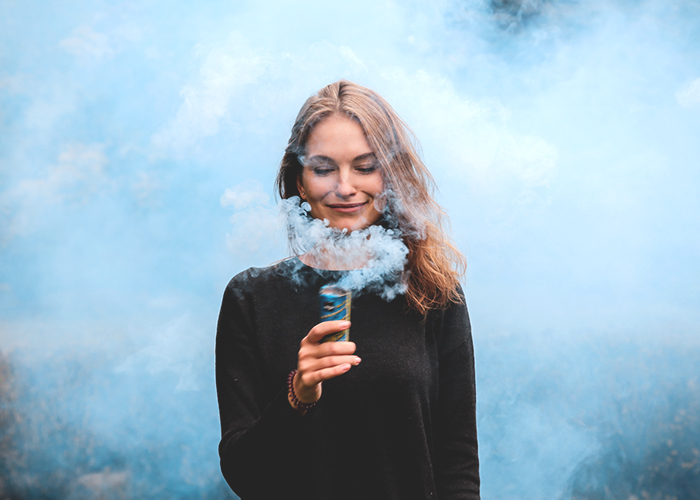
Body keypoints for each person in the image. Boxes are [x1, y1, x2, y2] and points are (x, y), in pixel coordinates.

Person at [216, 80, 480, 500]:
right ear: (300, 182)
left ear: (389, 176)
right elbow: (245, 476)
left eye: (365, 166)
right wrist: (298, 395)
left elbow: (458, 461)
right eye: (323, 169)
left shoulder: (433, 293)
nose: (345, 186)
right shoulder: (251, 299)